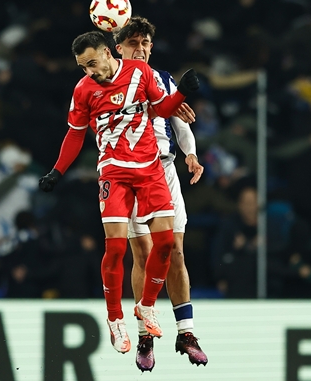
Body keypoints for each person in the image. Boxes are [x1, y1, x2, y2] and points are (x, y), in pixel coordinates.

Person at [38, 31, 199, 355]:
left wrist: (181, 93)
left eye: (92, 63)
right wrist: (57, 171)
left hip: (152, 169)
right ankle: (116, 320)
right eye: (83, 67)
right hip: (114, 171)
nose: (89, 71)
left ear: (108, 52)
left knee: (167, 245)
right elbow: (74, 134)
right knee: (118, 249)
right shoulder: (84, 90)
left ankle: (148, 308)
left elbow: (162, 107)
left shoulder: (141, 73)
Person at [113, 17, 208, 370]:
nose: (140, 49)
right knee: (144, 255)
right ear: (118, 49)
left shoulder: (163, 79)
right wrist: (166, 104)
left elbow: (180, 124)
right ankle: (145, 334)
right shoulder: (109, 83)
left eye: (145, 43)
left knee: (176, 253)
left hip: (165, 170)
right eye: (133, 43)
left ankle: (186, 332)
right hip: (133, 172)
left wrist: (191, 155)